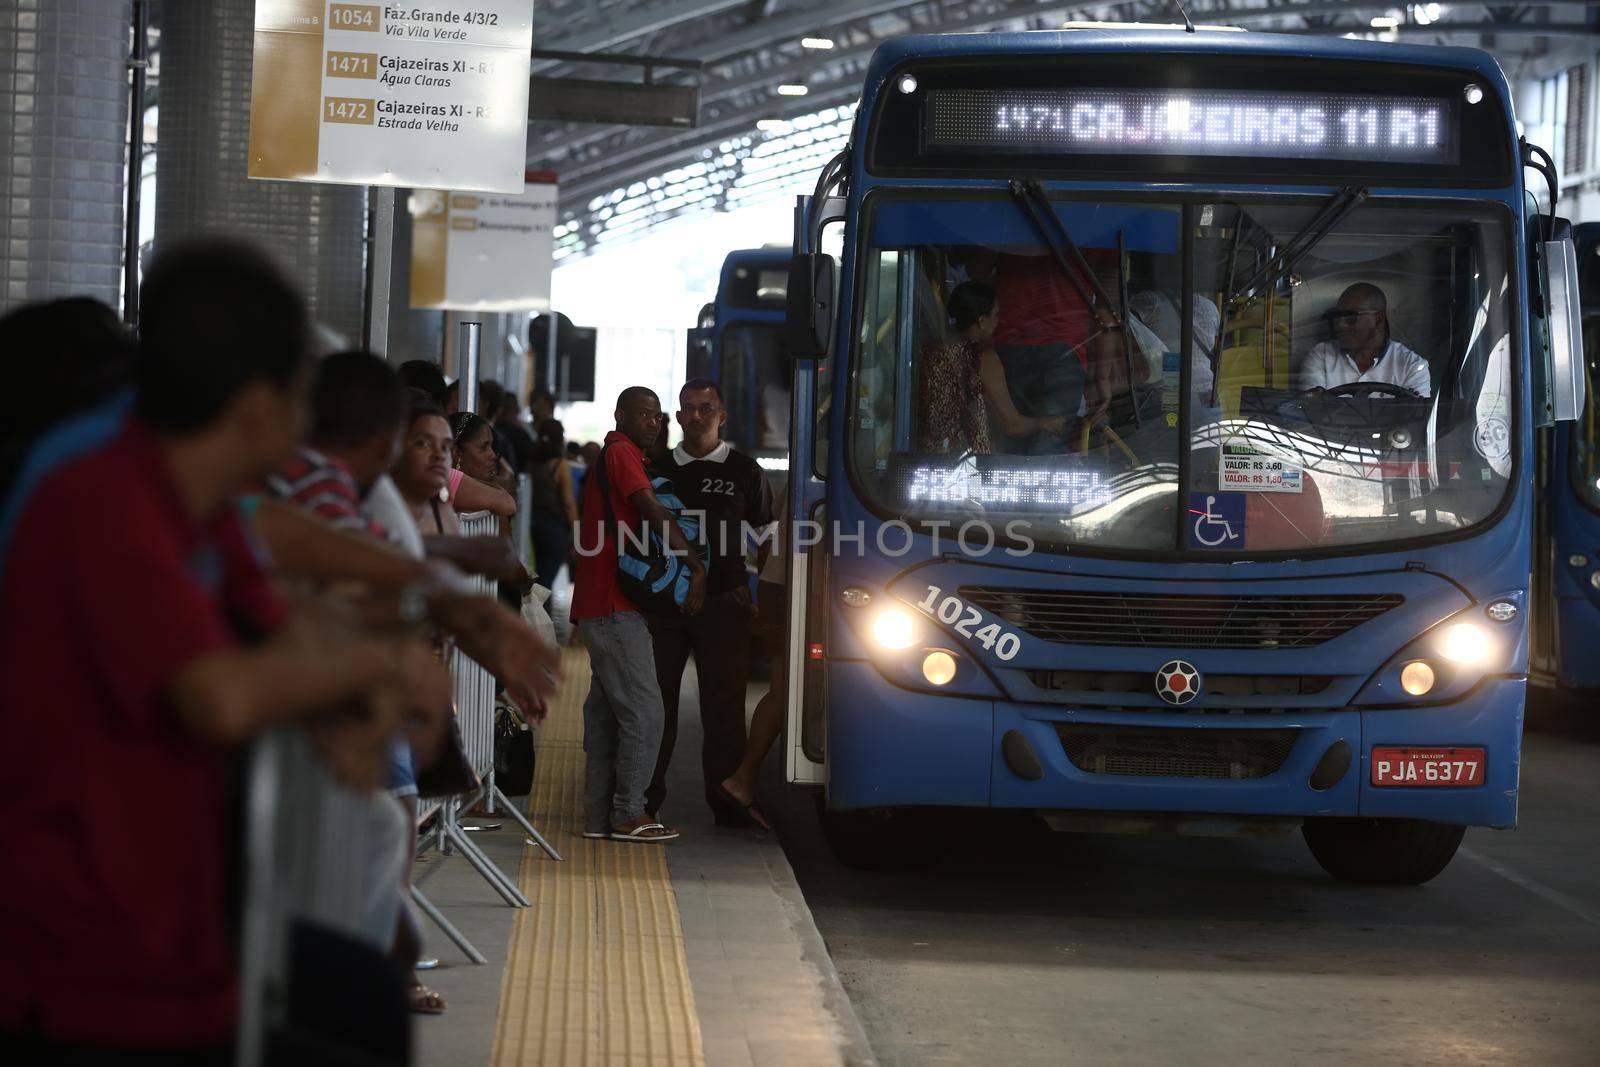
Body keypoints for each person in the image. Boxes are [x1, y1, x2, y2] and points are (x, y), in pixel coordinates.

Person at [0, 239, 454, 1061]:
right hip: (80, 965)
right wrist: (385, 665)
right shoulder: (103, 502)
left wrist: (366, 681)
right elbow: (222, 694)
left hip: (179, 936)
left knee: (360, 999)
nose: (313, 433)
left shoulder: (196, 502)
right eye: (303, 402)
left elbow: (287, 622)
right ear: (255, 405)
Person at [571, 387, 707, 843]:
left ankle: (597, 816)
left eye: (657, 415)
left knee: (608, 715)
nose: (653, 422)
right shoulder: (621, 451)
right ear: (620, 416)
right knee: (648, 714)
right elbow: (650, 508)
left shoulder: (620, 454)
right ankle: (628, 813)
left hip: (601, 606)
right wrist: (691, 560)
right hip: (613, 608)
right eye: (643, 414)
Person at [644, 379, 776, 826]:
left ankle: (727, 803)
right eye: (689, 408)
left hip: (724, 602)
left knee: (724, 708)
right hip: (664, 605)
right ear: (677, 417)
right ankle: (643, 801)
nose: (697, 416)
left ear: (722, 416)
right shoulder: (656, 470)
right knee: (654, 705)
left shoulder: (745, 469)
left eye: (707, 408)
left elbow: (767, 536)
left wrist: (765, 601)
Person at [968, 244, 1123, 452]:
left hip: (1009, 346)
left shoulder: (1008, 214)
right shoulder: (1102, 219)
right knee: (1047, 451)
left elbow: (975, 271)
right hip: (1065, 353)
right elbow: (1108, 309)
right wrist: (1101, 376)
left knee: (1008, 452)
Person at [919, 281, 1068, 454]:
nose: (998, 321)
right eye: (995, 315)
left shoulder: (928, 353)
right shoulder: (983, 359)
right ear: (981, 321)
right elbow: (1011, 424)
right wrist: (1044, 423)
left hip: (928, 458)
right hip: (969, 464)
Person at [1299, 282, 1431, 396]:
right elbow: (1311, 408)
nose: (1340, 324)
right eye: (1337, 316)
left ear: (1378, 319)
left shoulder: (1412, 366)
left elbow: (1417, 418)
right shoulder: (1320, 356)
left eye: (1351, 317)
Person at [529, 418, 579, 590]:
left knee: (537, 572)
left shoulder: (532, 463)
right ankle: (539, 614)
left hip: (532, 522)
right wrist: (576, 530)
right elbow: (568, 502)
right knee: (546, 577)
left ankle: (534, 612)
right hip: (554, 526)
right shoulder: (560, 464)